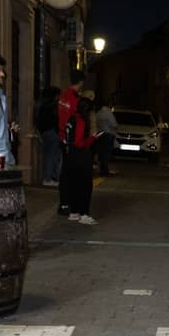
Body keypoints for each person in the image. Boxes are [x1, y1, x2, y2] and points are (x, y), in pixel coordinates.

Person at [64, 95, 101, 224]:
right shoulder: (81, 120)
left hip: (71, 156)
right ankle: (84, 214)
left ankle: (74, 212)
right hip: (81, 156)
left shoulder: (72, 118)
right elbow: (79, 142)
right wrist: (93, 138)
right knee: (85, 186)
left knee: (74, 184)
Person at [57, 70, 85, 215]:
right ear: (80, 82)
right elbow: (76, 118)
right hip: (71, 139)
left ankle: (63, 203)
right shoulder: (75, 99)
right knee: (70, 173)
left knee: (65, 172)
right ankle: (67, 203)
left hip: (63, 136)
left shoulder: (63, 96)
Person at [36, 85, 61, 186]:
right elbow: (56, 120)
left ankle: (49, 177)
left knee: (48, 155)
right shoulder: (54, 106)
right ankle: (49, 178)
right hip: (53, 132)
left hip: (44, 132)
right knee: (53, 155)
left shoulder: (42, 105)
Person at [95, 100, 118, 176]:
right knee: (107, 153)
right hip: (108, 134)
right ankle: (105, 171)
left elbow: (96, 123)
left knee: (102, 153)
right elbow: (114, 124)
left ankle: (102, 169)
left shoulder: (98, 113)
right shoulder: (109, 113)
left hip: (100, 134)